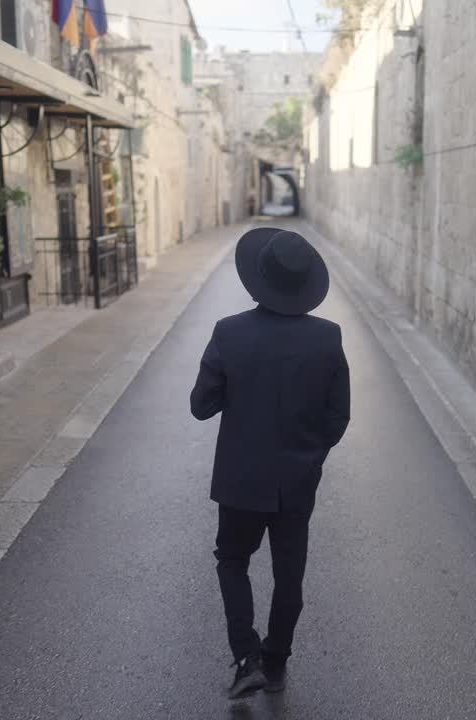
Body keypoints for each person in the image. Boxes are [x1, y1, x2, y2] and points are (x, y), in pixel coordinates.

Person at [190, 227, 351, 699]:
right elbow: (338, 416)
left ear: (260, 278)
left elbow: (202, 405)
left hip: (241, 477)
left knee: (233, 561)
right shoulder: (327, 337)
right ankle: (277, 659)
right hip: (297, 480)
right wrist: (311, 456)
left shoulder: (230, 332)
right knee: (289, 573)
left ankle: (247, 658)